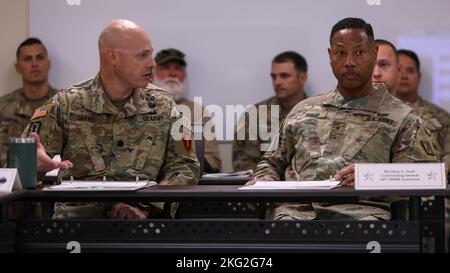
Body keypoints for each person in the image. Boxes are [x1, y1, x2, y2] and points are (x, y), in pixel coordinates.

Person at [253, 17, 437, 221]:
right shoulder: (303, 110)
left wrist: (370, 177)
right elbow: (270, 162)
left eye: (359, 52)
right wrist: (261, 185)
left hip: (363, 217)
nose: (349, 62)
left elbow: (423, 177)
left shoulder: (404, 118)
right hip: (294, 215)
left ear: (374, 54)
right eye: (341, 53)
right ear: (330, 55)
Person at [23, 19, 200, 219]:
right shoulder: (66, 103)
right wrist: (29, 165)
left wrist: (147, 206)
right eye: (143, 55)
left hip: (142, 224)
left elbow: (185, 165)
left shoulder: (164, 105)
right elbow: (19, 167)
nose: (152, 63)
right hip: (75, 226)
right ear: (113, 57)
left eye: (150, 54)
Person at [233, 51, 308, 172]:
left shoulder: (319, 113)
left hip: (309, 186)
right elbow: (243, 164)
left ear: (302, 78)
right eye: (274, 76)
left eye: (284, 76)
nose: (277, 82)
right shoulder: (255, 114)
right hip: (264, 185)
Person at [153, 48, 222, 173]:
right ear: (153, 74)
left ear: (185, 76)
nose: (172, 73)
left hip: (186, 180)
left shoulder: (197, 111)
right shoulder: (138, 106)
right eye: (166, 68)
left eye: (178, 69)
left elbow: (212, 162)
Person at [0, 38, 57, 166]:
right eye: (27, 59)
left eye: (40, 57)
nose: (34, 63)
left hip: (55, 181)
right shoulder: (3, 108)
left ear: (48, 64)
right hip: (9, 181)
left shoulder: (64, 105)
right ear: (18, 67)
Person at [395, 49, 450, 172]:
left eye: (410, 71)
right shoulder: (380, 112)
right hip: (389, 182)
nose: (404, 76)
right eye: (398, 70)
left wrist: (440, 172)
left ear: (419, 77)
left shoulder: (441, 116)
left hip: (433, 183)